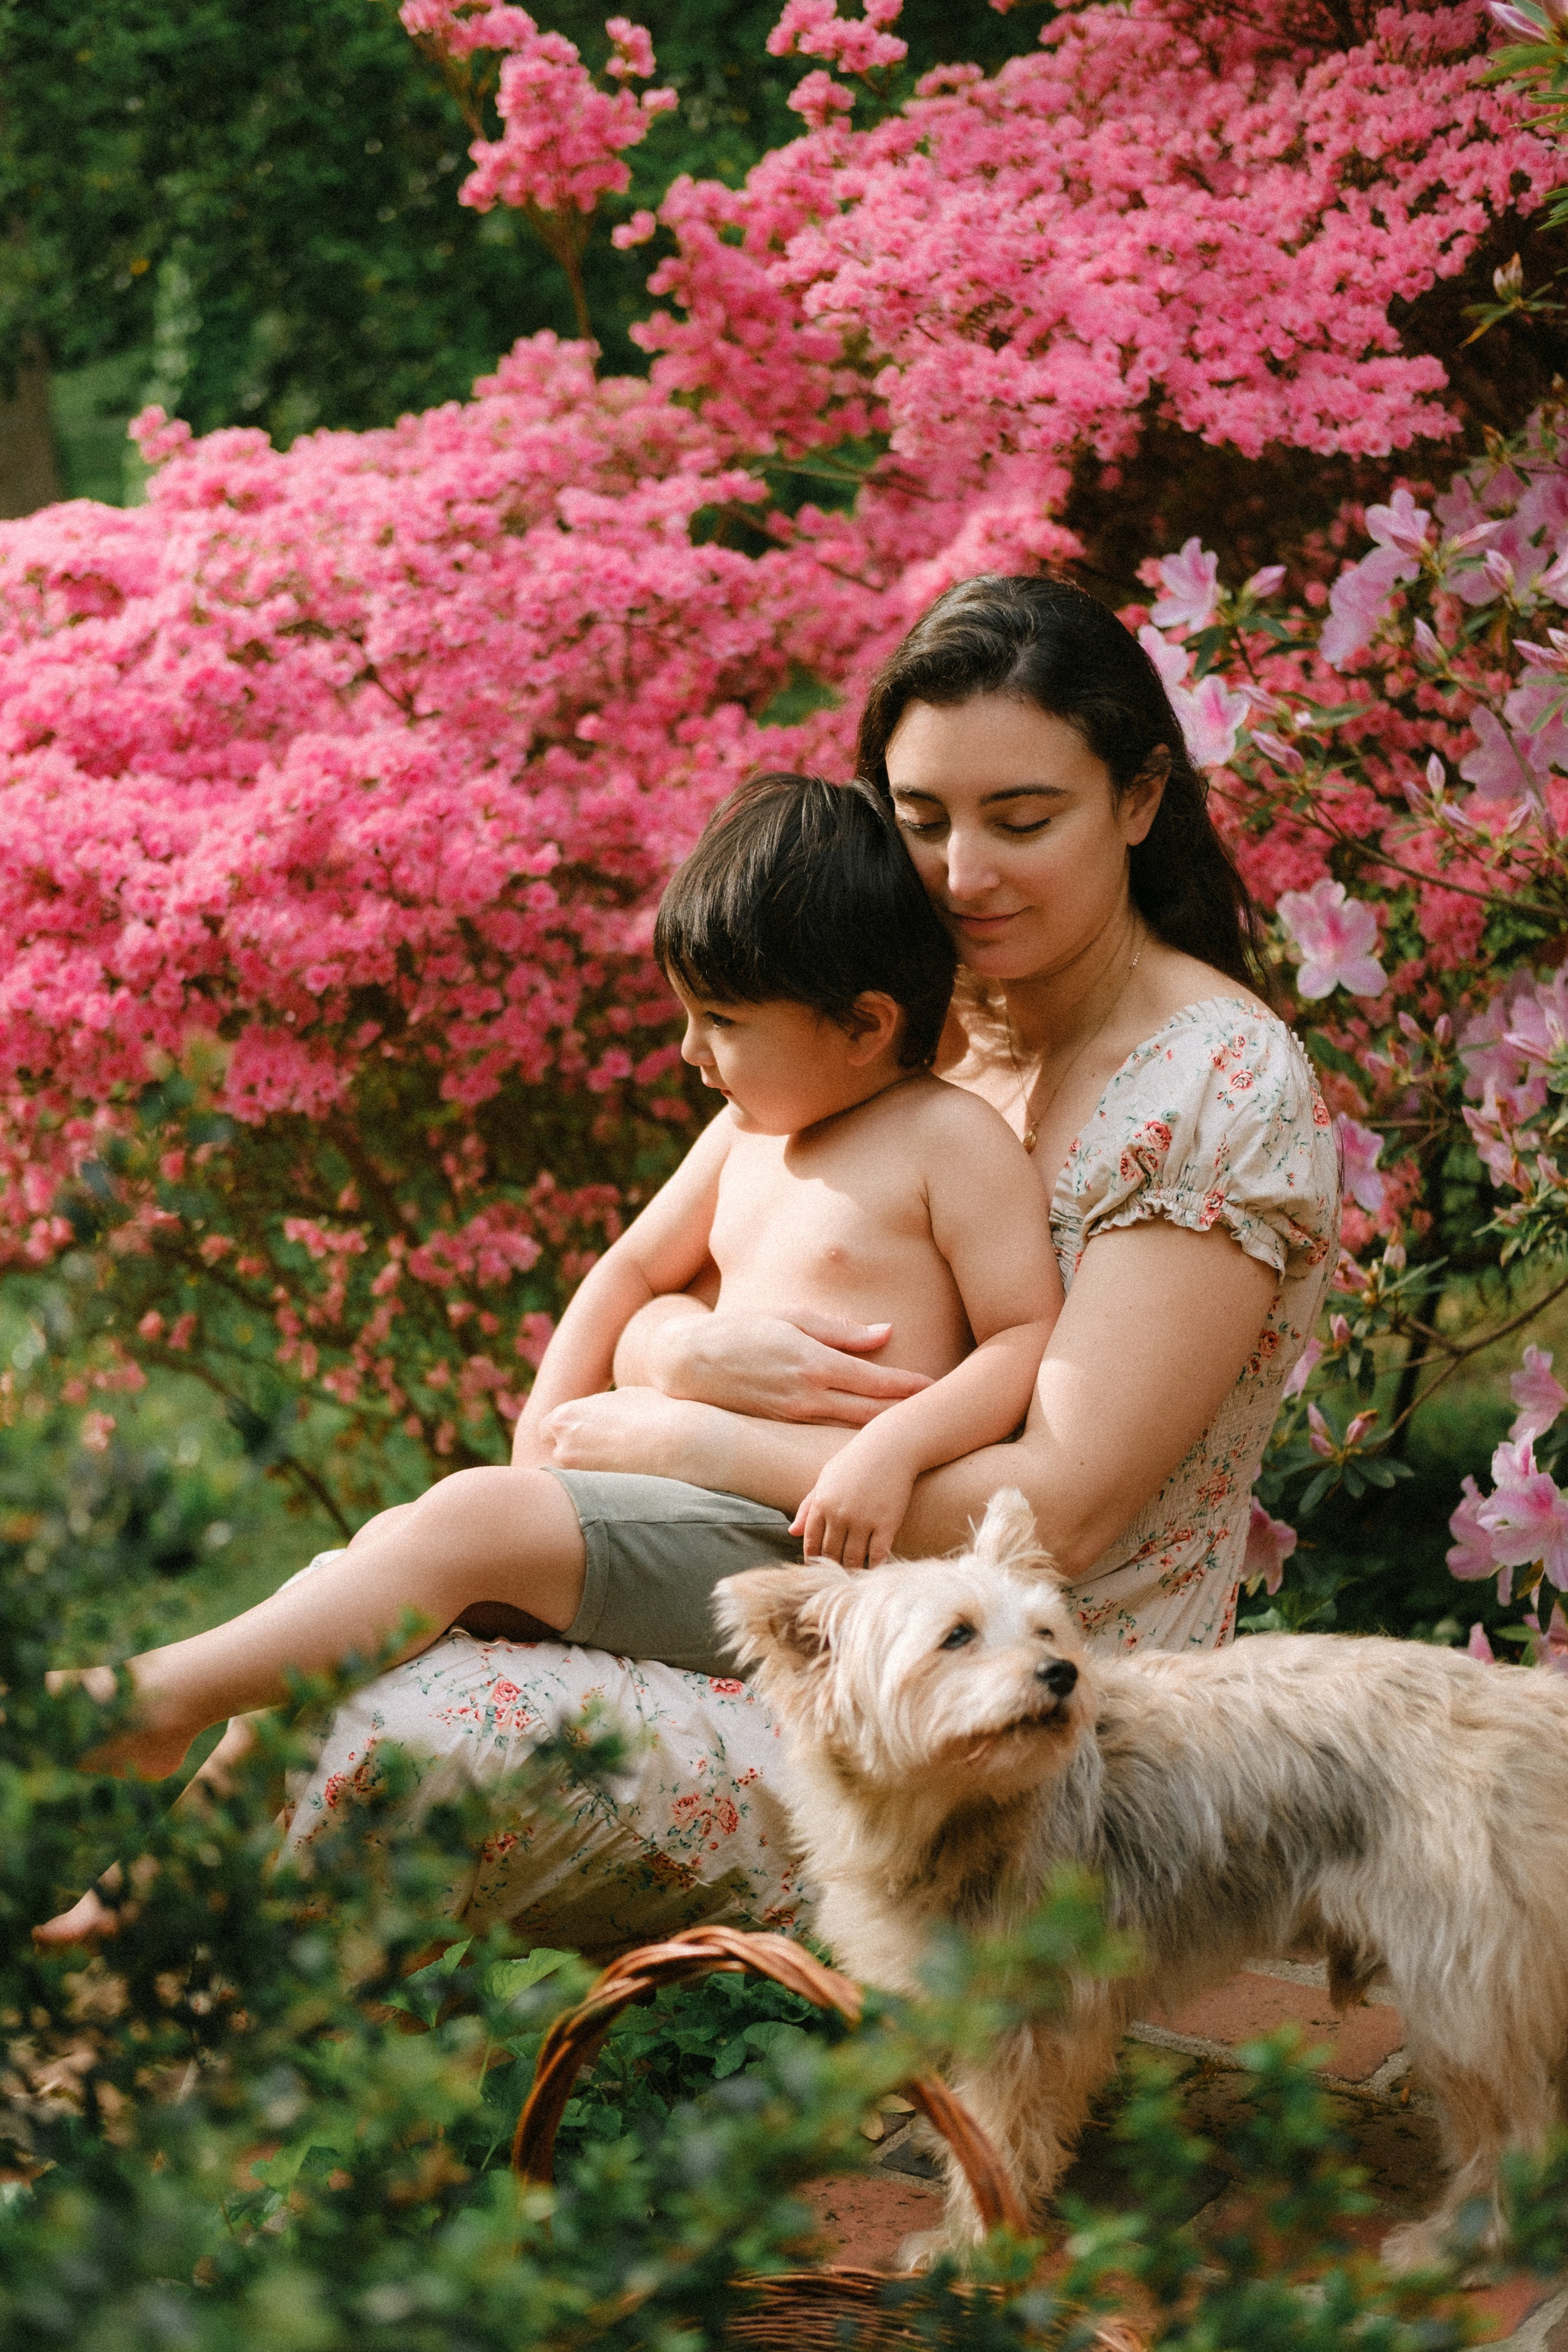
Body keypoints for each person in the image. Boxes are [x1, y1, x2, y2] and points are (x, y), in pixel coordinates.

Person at [37, 574, 1339, 1951]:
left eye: (1022, 821)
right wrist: (677, 1351)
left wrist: (684, 1433)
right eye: (920, 821)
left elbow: (1059, 1518)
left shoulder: (1210, 1087)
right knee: (367, 1600)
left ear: (1138, 799)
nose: (962, 875)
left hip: (1029, 1720)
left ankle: (196, 2023)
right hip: (806, 1604)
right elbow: (700, 1279)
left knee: (417, 1718)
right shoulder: (897, 1035)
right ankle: (128, 1935)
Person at [43, 772, 1061, 1788]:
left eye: (722, 1020)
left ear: (865, 1026)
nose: (691, 1051)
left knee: (462, 1525)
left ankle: (148, 1699)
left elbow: (1023, 1334)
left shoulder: (949, 1140)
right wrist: (539, 1434)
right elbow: (630, 1270)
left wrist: (892, 1449)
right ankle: (177, 1839)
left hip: (792, 1555)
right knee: (382, 1557)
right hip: (666, 1514)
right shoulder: (746, 1134)